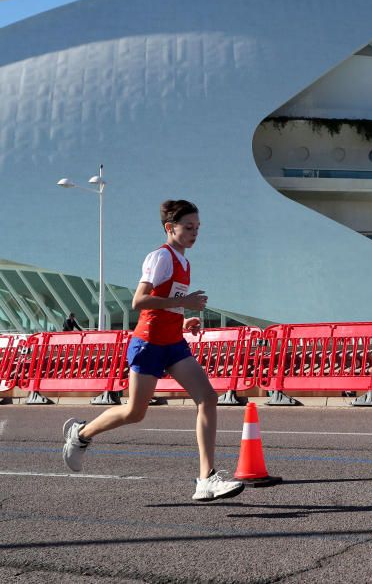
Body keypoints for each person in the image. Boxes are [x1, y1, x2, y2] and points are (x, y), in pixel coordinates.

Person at [61, 199, 244, 502]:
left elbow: (164, 304)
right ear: (170, 228)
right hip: (148, 344)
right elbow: (139, 301)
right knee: (135, 412)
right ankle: (80, 435)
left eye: (198, 228)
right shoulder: (161, 257)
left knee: (208, 398)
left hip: (172, 343)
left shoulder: (184, 262)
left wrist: (184, 321)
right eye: (188, 227)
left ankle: (206, 479)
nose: (194, 233)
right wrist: (183, 304)